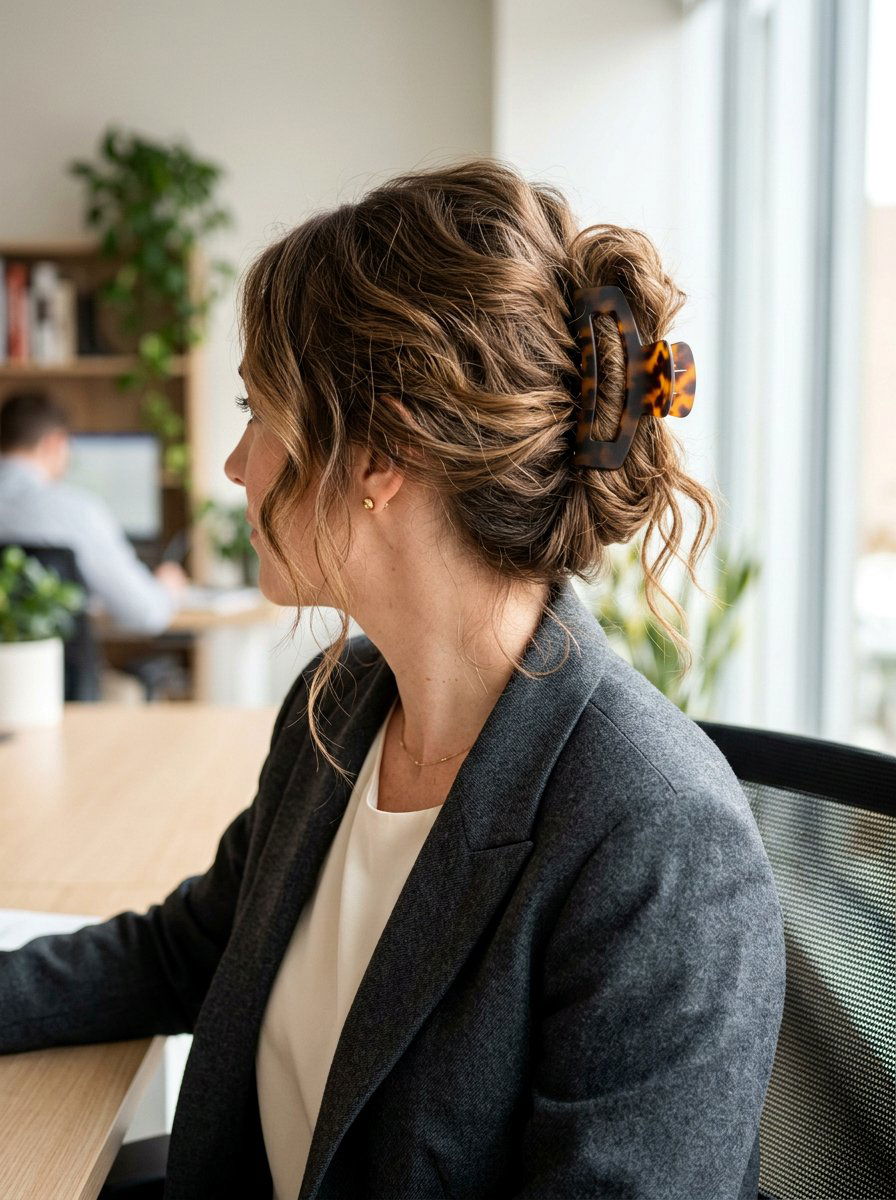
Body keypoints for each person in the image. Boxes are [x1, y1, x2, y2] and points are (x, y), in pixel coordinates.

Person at [0, 159, 786, 1200]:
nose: (235, 466)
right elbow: (189, 951)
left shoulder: (660, 846)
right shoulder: (338, 708)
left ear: (381, 453)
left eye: (258, 411)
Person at [0, 391, 190, 634]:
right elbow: (145, 614)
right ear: (54, 442)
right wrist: (166, 588)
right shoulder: (77, 511)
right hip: (58, 658)